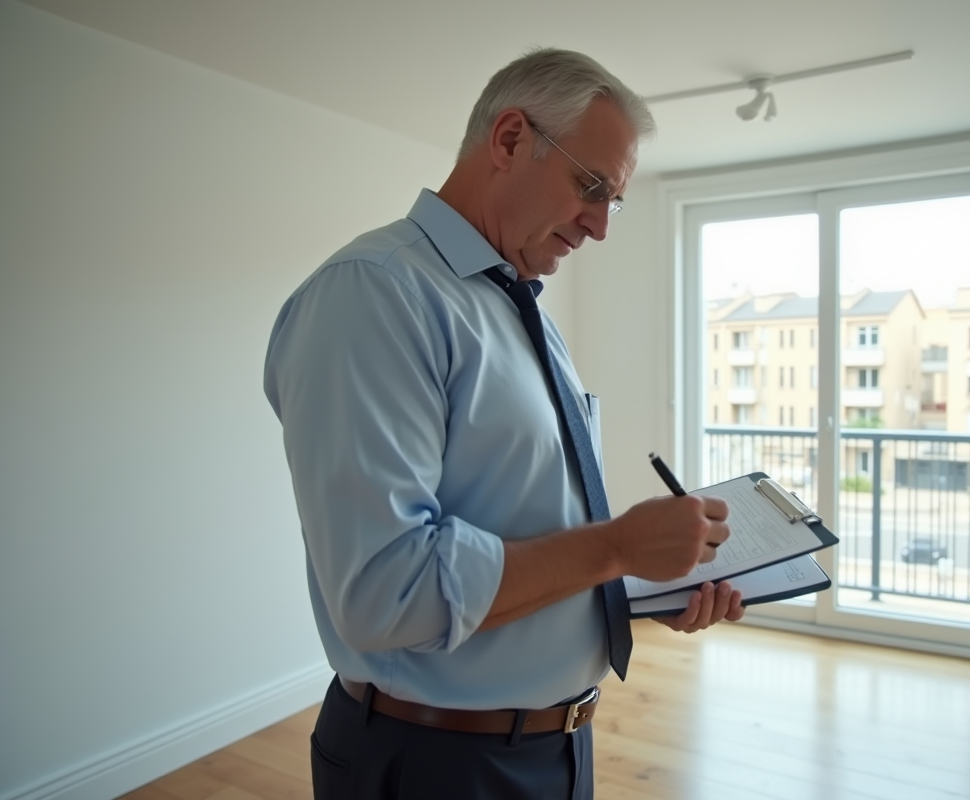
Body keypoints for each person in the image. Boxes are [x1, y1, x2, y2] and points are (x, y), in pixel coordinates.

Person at [263, 47, 746, 800]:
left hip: (556, 749)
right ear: (511, 138)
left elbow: (526, 524)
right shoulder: (374, 296)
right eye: (592, 187)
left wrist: (643, 579)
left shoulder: (517, 305)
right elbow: (390, 591)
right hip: (435, 763)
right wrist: (616, 545)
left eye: (612, 201)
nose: (600, 227)